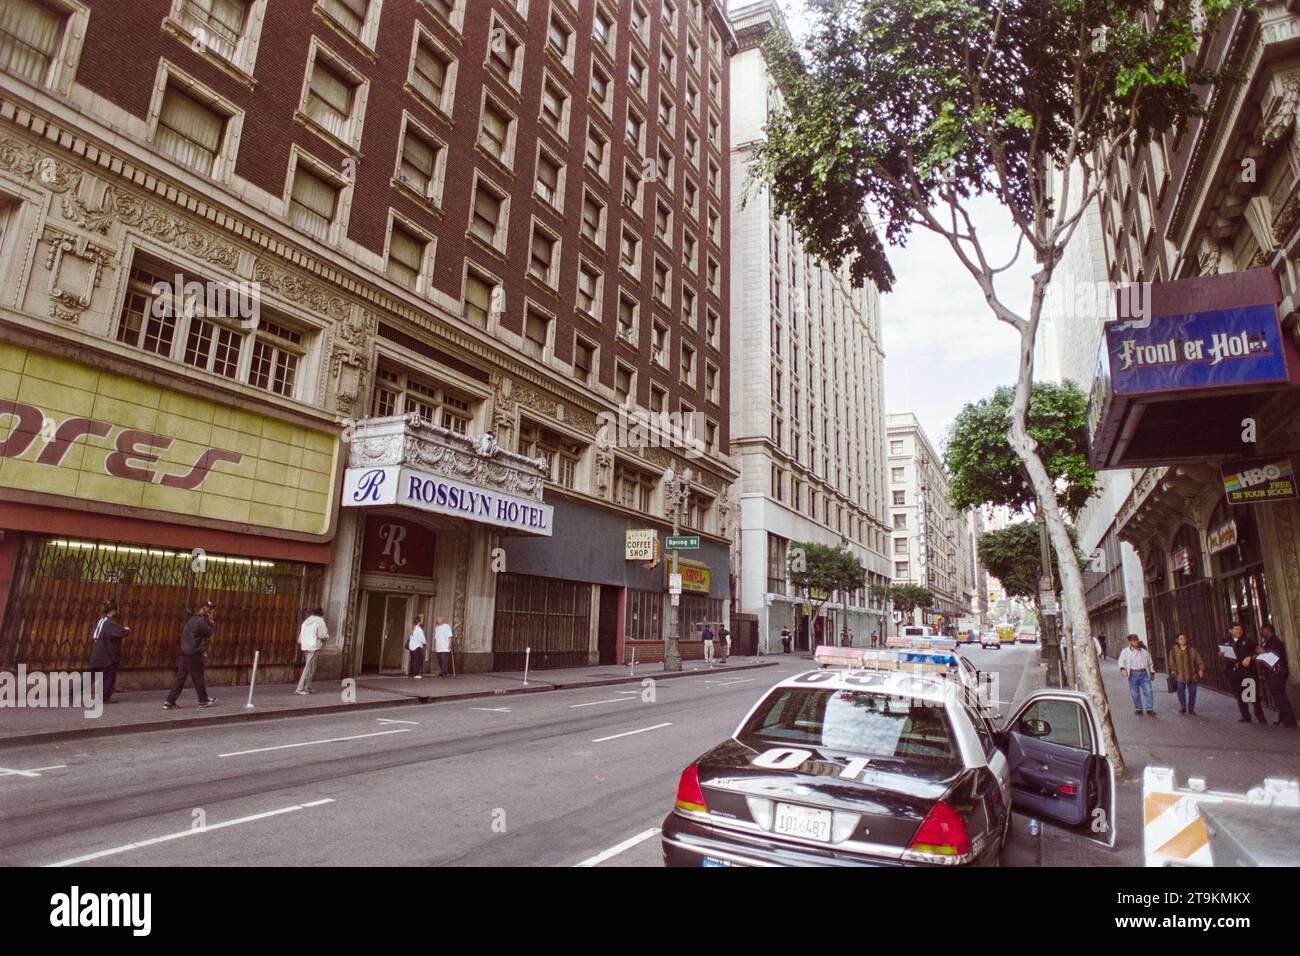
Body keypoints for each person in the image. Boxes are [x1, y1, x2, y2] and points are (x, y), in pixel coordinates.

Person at [163, 600, 217, 709]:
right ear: (205, 610)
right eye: (210, 609)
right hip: (193, 653)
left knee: (180, 678)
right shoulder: (201, 621)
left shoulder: (192, 619)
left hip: (184, 652)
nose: (211, 611)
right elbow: (209, 632)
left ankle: (169, 701)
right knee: (198, 677)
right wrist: (211, 622)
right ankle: (203, 700)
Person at [1223, 622, 1266, 724]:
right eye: (1236, 629)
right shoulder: (1226, 641)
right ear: (1230, 630)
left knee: (1253, 695)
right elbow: (1220, 653)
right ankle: (1245, 715)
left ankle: (1260, 716)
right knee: (1239, 694)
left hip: (1248, 671)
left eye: (1240, 630)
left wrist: (1251, 657)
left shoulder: (1248, 641)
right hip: (1234, 672)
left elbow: (1262, 652)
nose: (1239, 631)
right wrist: (1222, 653)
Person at [88, 600, 129, 704]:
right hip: (106, 656)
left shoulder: (101, 621)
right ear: (113, 611)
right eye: (116, 610)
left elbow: (95, 635)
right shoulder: (110, 623)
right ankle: (105, 697)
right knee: (109, 677)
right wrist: (127, 629)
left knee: (91, 676)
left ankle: (73, 691)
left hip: (96, 654)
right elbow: (121, 632)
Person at [1258, 624, 1296, 728]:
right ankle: (1283, 718)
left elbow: (1275, 660)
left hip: (1276, 673)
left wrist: (1263, 653)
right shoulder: (1268, 642)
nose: (1261, 633)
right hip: (1273, 673)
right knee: (1279, 696)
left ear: (1267, 631)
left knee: (1279, 696)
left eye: (1262, 631)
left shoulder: (1274, 642)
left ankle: (1289, 721)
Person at [1117, 633, 1155, 716]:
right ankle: (1138, 708)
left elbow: (1150, 662)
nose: (1136, 641)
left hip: (1144, 673)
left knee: (1148, 690)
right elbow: (1121, 661)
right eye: (1134, 640)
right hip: (1133, 674)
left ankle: (1149, 708)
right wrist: (1122, 669)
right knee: (1135, 692)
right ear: (1130, 641)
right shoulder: (1125, 652)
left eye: (1137, 639)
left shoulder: (1144, 652)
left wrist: (1152, 672)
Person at [1167, 632, 1204, 716]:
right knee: (1180, 690)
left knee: (1193, 692)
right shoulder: (1173, 650)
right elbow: (1171, 663)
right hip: (1180, 675)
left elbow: (1199, 661)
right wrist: (1174, 671)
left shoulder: (1192, 650)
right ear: (1177, 640)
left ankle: (1191, 709)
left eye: (1184, 639)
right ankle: (1183, 706)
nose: (1183, 640)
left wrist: (1201, 669)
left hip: (1192, 675)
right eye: (1180, 639)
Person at [295, 606, 329, 695]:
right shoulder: (320, 622)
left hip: (306, 646)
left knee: (310, 667)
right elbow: (323, 635)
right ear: (321, 613)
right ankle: (300, 688)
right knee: (308, 668)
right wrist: (326, 638)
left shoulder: (306, 622)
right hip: (314, 647)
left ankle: (306, 687)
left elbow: (301, 635)